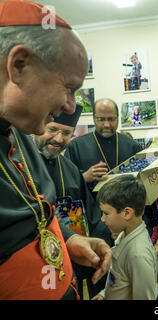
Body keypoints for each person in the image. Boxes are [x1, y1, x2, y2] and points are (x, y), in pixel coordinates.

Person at [0, 0, 111, 300]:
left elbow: (36, 216)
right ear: (18, 65)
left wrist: (70, 239)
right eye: (69, 88)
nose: (71, 106)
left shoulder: (19, 130)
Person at [32, 104, 113, 298]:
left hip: (71, 257)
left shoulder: (70, 169)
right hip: (33, 260)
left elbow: (91, 215)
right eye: (52, 130)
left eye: (66, 133)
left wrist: (105, 241)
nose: (59, 139)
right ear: (39, 125)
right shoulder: (19, 162)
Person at [93, 175, 158, 300]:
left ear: (127, 213)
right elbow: (118, 279)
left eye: (106, 213)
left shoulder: (138, 255)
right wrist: (104, 294)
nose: (102, 219)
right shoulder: (123, 234)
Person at [64, 98, 142, 195]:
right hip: (91, 208)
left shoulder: (133, 146)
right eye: (101, 119)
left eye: (111, 119)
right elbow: (65, 185)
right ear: (94, 118)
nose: (107, 125)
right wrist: (83, 178)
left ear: (118, 118)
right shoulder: (76, 146)